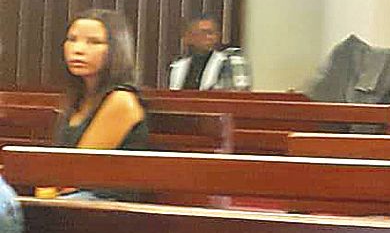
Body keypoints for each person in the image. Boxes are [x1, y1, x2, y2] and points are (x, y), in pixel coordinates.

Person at [55, 9, 150, 152]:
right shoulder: (80, 98)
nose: (78, 49)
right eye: (72, 39)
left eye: (94, 42)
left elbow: (79, 162)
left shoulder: (121, 100)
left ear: (116, 49)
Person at [165, 15, 252, 91]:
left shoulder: (231, 61)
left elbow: (239, 94)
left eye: (212, 33)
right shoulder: (178, 66)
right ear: (188, 37)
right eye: (203, 33)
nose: (209, 37)